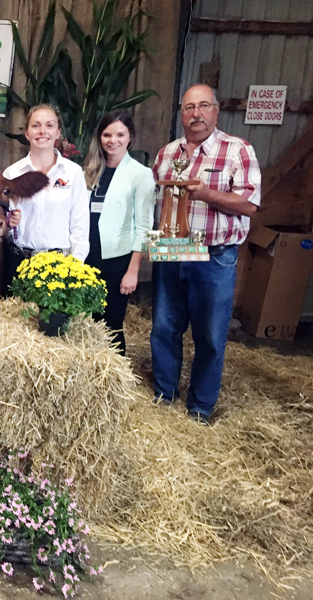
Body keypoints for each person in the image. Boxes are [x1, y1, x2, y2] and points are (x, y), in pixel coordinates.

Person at [151, 84, 261, 425]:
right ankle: (164, 392)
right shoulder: (167, 154)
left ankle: (199, 406)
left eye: (202, 106)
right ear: (181, 113)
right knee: (164, 327)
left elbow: (250, 204)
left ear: (215, 110)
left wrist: (206, 193)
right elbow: (153, 200)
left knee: (210, 335)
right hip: (172, 248)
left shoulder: (237, 150)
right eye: (188, 108)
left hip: (214, 255)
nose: (195, 114)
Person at [83, 110, 155, 355]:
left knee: (110, 324)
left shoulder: (141, 174)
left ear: (130, 137)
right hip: (86, 257)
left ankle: (114, 379)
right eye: (107, 134)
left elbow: (144, 227)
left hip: (116, 261)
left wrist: (133, 271)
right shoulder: (90, 171)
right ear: (100, 138)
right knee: (85, 323)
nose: (112, 140)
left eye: (120, 134)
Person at [2, 104, 89, 293]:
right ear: (26, 133)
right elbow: (5, 223)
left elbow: (80, 225)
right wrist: (9, 224)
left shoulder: (73, 173)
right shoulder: (12, 173)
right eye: (36, 126)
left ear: (58, 132)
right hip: (19, 263)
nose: (42, 131)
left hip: (59, 267)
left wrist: (75, 267)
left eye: (49, 126)